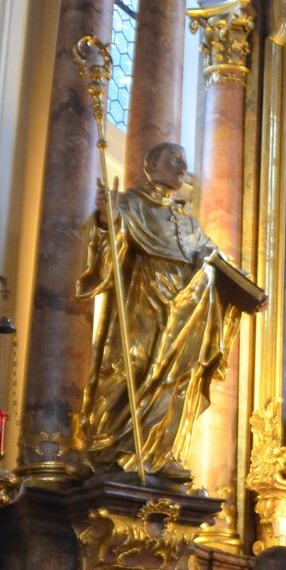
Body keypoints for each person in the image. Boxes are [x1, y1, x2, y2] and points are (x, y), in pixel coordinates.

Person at [77, 141, 257, 481]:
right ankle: (113, 447)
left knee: (177, 378)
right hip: (143, 302)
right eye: (174, 160)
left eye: (185, 163)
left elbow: (217, 259)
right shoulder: (127, 204)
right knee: (130, 367)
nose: (182, 169)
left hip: (188, 310)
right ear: (150, 165)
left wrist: (246, 287)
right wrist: (105, 220)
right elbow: (105, 250)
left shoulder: (188, 222)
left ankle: (161, 453)